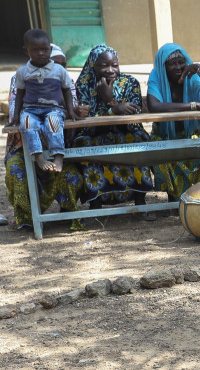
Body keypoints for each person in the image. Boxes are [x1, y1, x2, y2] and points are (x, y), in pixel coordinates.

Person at [4, 43, 86, 230]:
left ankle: (68, 212)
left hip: (59, 146)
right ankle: (27, 218)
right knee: (17, 169)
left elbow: (70, 110)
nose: (53, 69)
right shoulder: (21, 77)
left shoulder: (65, 80)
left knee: (71, 172)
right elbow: (15, 114)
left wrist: (73, 111)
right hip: (23, 148)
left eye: (60, 65)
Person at [72, 45, 159, 220]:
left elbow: (134, 117)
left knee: (137, 139)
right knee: (85, 144)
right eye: (104, 66)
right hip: (94, 135)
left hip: (126, 131)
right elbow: (86, 122)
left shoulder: (130, 83)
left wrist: (110, 100)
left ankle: (140, 203)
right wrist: (112, 106)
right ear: (92, 66)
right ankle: (95, 205)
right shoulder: (83, 85)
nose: (111, 71)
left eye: (115, 65)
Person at [144, 43, 200, 200]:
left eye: (181, 62)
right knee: (161, 157)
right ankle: (176, 198)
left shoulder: (192, 77)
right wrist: (191, 106)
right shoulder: (157, 76)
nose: (178, 67)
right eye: (172, 64)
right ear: (163, 66)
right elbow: (154, 106)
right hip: (165, 136)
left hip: (193, 134)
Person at [9, 29, 74, 174]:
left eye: (44, 50)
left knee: (53, 123)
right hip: (30, 109)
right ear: (26, 51)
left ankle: (58, 156)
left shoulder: (59, 70)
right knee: (26, 124)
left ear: (50, 50)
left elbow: (67, 90)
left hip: (53, 109)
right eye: (35, 50)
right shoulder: (22, 72)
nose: (41, 53)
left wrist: (70, 110)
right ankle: (39, 157)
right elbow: (19, 93)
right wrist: (15, 115)